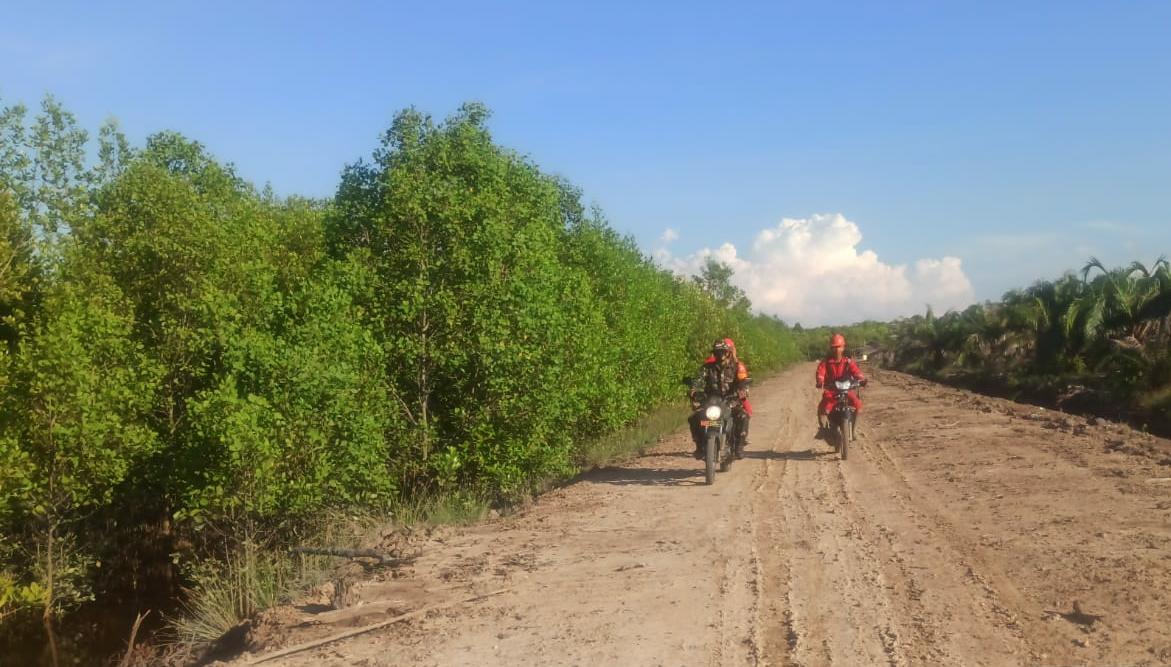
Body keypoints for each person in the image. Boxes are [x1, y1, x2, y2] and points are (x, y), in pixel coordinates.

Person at [689, 338, 751, 459]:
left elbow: (743, 382)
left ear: (728, 352)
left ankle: (739, 447)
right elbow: (698, 381)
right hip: (711, 401)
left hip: (730, 400)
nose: (720, 354)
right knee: (694, 418)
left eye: (723, 351)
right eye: (717, 352)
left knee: (743, 416)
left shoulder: (736, 367)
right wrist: (694, 391)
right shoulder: (707, 368)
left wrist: (742, 391)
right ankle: (700, 446)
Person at [816, 333, 867, 438]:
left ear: (843, 347)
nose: (836, 350)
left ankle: (853, 431)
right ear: (831, 348)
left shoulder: (848, 362)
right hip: (831, 391)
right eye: (834, 347)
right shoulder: (826, 362)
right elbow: (820, 372)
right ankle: (823, 430)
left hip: (846, 390)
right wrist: (820, 380)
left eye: (838, 347)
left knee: (858, 405)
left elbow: (856, 372)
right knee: (823, 409)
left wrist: (862, 379)